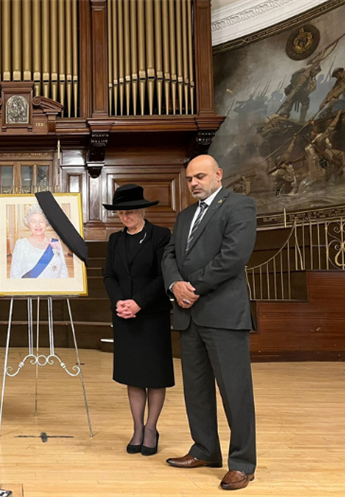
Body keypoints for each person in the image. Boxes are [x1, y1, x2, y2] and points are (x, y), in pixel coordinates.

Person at [161, 155, 257, 491]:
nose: (194, 184)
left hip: (223, 315)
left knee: (235, 392)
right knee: (196, 391)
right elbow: (169, 254)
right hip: (189, 315)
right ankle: (204, 449)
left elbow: (234, 256)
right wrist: (175, 284)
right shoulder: (185, 215)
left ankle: (242, 463)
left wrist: (194, 287)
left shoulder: (240, 206)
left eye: (200, 177)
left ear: (218, 175)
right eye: (189, 179)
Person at [102, 184, 174, 457]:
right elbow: (109, 276)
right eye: (120, 213)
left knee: (154, 377)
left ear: (142, 209)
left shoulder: (160, 236)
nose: (125, 217)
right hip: (124, 316)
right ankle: (137, 428)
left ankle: (152, 428)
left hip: (151, 315)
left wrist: (139, 303)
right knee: (133, 375)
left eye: (130, 212)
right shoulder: (115, 240)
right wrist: (119, 301)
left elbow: (162, 275)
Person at [9, 204, 69, 278]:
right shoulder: (21, 244)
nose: (38, 225)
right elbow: (15, 274)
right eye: (33, 222)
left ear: (46, 223)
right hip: (31, 288)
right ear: (28, 224)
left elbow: (63, 271)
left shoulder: (55, 243)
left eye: (41, 221)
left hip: (54, 288)